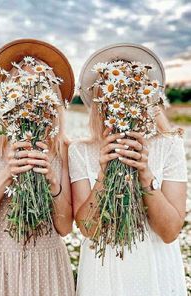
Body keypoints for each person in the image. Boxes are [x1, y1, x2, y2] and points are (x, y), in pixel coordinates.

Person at [69, 43, 188, 296]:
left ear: (145, 97)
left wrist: (145, 174)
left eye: (131, 89)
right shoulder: (79, 151)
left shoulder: (169, 145)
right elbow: (89, 229)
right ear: (100, 99)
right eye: (112, 91)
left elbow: (170, 232)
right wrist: (103, 174)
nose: (119, 99)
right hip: (103, 272)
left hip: (155, 268)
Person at [0, 39, 75, 296]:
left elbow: (66, 228)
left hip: (47, 268)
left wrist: (53, 181)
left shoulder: (65, 148)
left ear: (52, 96)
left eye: (41, 85)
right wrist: (7, 175)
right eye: (23, 84)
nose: (31, 93)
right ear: (9, 92)